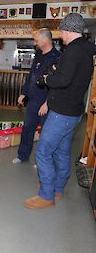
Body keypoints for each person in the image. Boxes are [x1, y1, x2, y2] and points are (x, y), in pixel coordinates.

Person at [24, 13, 96, 209]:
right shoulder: (85, 50)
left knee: (44, 152)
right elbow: (70, 76)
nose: (60, 35)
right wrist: (58, 70)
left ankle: (46, 195)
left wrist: (48, 78)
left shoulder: (73, 51)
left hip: (62, 112)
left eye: (62, 30)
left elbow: (63, 81)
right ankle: (57, 188)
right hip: (73, 112)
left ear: (68, 30)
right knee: (62, 153)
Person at [12, 28, 61, 164]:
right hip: (33, 101)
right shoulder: (38, 54)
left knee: (46, 135)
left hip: (46, 103)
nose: (35, 43)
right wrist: (24, 93)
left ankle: (42, 161)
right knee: (27, 128)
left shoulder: (57, 58)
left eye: (36, 40)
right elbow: (31, 76)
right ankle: (22, 155)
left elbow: (56, 84)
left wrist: (47, 103)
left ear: (45, 40)